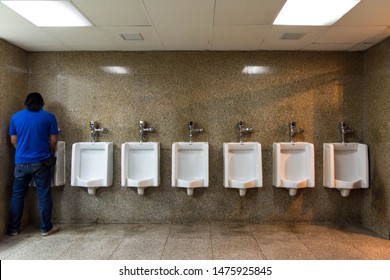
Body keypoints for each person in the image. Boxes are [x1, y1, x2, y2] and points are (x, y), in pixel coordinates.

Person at [7, 92, 60, 236]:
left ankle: (13, 229)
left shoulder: (15, 117)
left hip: (21, 163)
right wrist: (47, 150)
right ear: (42, 104)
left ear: (26, 103)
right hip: (41, 162)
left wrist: (23, 152)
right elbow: (54, 139)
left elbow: (13, 140)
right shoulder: (49, 117)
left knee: (17, 195)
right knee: (43, 194)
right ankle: (45, 228)